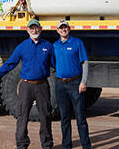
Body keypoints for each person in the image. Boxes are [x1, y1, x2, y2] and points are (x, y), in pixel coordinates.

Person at [0, 19, 54, 149]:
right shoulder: (22, 47)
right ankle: (21, 144)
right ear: (27, 30)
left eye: (36, 28)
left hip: (43, 86)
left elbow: (56, 65)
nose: (34, 30)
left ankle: (47, 145)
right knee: (22, 116)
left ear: (40, 29)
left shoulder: (48, 46)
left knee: (45, 116)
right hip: (26, 86)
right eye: (31, 28)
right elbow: (10, 63)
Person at [53, 20, 91, 149]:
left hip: (75, 83)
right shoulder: (55, 45)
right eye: (61, 28)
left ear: (69, 29)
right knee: (64, 118)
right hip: (60, 84)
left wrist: (83, 81)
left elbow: (84, 63)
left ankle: (86, 145)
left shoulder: (77, 43)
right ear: (57, 31)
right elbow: (53, 63)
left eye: (65, 27)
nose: (63, 30)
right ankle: (66, 145)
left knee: (80, 118)